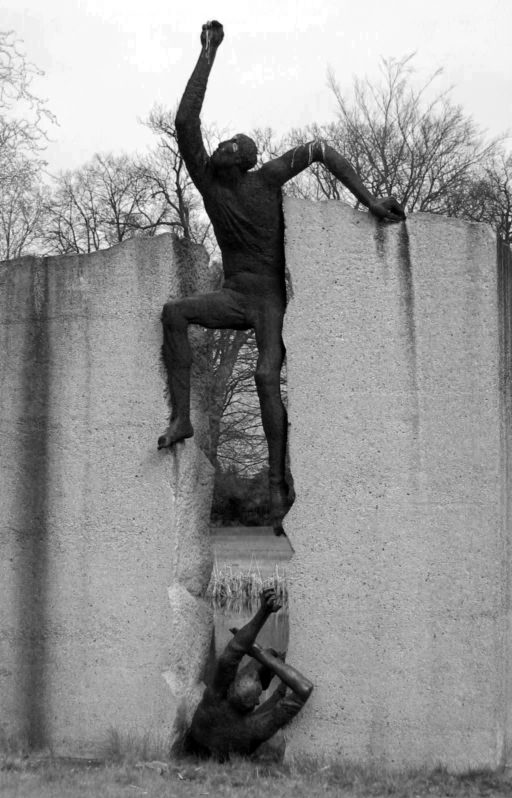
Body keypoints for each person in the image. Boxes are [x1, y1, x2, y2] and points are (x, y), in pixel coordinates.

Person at [159, 20, 406, 530]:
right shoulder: (209, 184)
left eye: (232, 146)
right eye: (222, 144)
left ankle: (277, 482)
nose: (222, 147)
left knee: (266, 375)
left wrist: (369, 201)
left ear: (246, 160)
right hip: (234, 296)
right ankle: (181, 417)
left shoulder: (265, 179)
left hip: (269, 300)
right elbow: (185, 122)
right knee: (174, 313)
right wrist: (208, 52)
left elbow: (319, 150)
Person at [185, 587, 313, 761]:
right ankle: (270, 661)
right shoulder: (253, 729)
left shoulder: (213, 698)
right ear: (256, 703)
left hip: (202, 745)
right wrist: (259, 653)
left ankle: (270, 661)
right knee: (270, 661)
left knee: (268, 658)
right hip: (226, 747)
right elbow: (304, 689)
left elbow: (234, 651)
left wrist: (263, 611)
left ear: (230, 687)